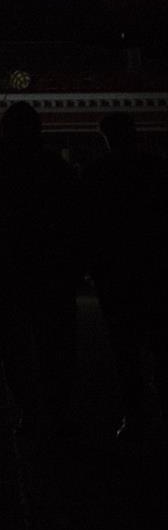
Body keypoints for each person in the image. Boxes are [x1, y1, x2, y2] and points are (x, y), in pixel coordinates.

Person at [0, 102, 78, 437]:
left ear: (3, 132)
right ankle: (57, 411)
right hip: (51, 274)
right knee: (55, 343)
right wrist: (74, 266)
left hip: (3, 275)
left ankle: (29, 410)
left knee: (14, 347)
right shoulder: (55, 168)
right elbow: (76, 221)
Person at [83, 111, 163, 440]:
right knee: (160, 344)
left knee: (125, 350)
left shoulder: (97, 173)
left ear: (106, 137)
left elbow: (87, 226)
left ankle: (135, 416)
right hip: (155, 270)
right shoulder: (156, 169)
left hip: (115, 275)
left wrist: (92, 267)